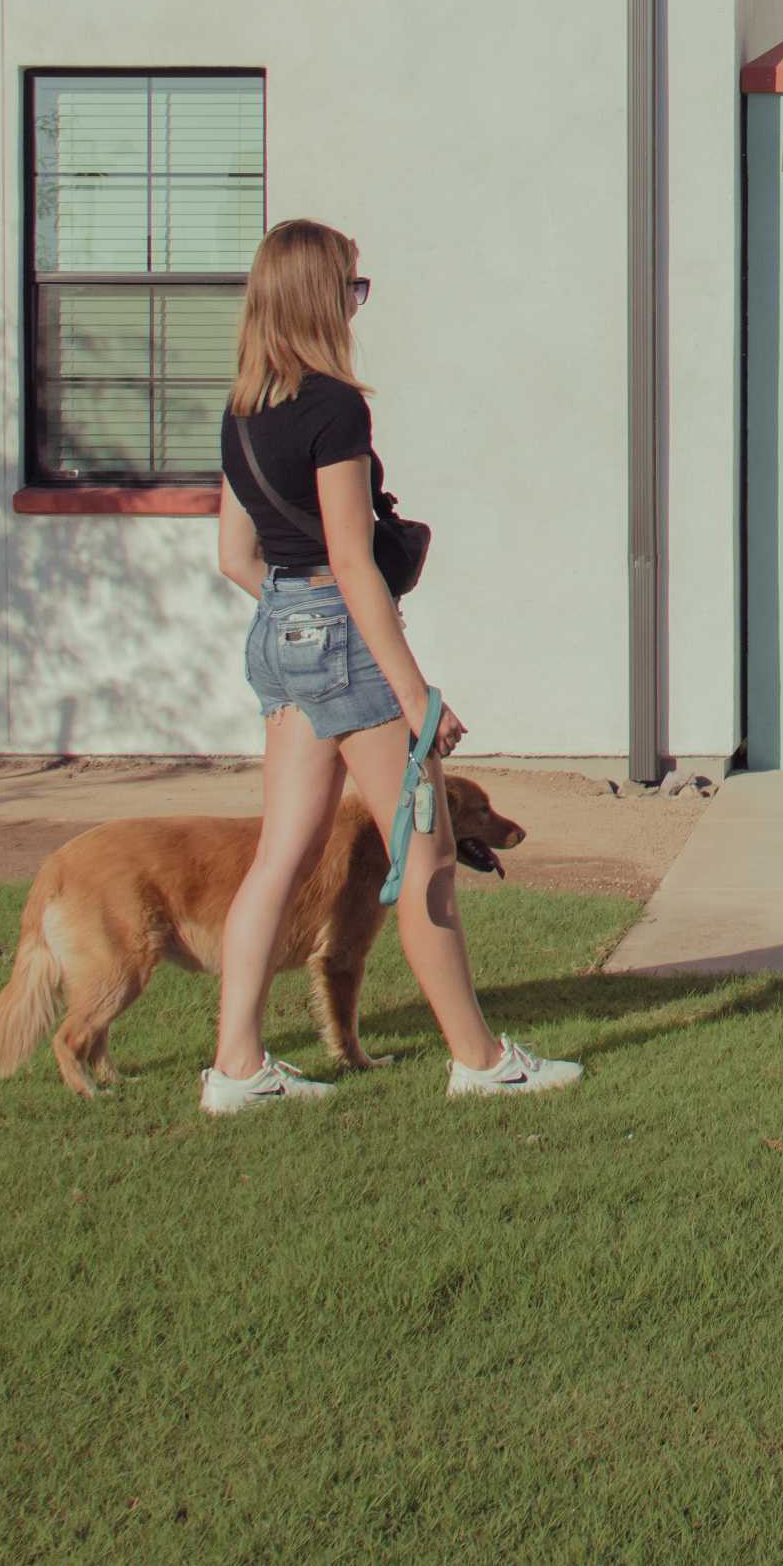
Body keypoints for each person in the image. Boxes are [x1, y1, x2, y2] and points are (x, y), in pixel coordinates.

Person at [201, 218, 577, 1112]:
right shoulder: (334, 408)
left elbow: (233, 556)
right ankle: (482, 1062)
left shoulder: (243, 410)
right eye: (350, 287)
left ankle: (237, 1069)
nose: (355, 303)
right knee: (429, 854)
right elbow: (353, 555)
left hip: (282, 629)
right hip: (342, 629)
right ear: (315, 297)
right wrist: (415, 697)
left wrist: (297, 626)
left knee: (280, 857)